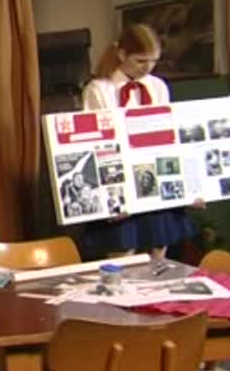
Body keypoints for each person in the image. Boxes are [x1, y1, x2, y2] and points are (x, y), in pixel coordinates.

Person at [82, 23, 203, 260]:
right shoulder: (99, 89)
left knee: (159, 251)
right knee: (123, 252)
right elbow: (94, 145)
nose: (147, 68)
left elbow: (169, 137)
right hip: (120, 178)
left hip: (155, 177)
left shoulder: (157, 86)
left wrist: (191, 186)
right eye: (140, 61)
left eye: (153, 61)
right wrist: (110, 198)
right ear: (122, 54)